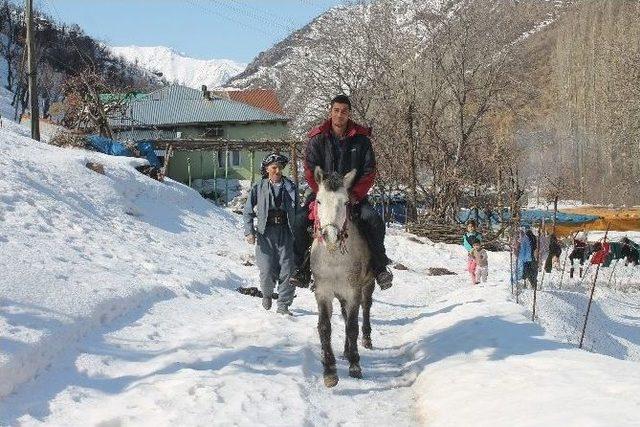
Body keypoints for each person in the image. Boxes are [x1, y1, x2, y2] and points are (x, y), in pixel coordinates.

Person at [290, 94, 393, 290]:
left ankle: (379, 267)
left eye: (344, 111)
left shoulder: (362, 140)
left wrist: (355, 194)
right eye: (336, 110)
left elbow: (369, 171)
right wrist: (323, 195)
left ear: (349, 113)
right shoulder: (317, 138)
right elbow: (310, 170)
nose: (340, 115)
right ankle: (301, 268)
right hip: (323, 196)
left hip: (353, 196)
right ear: (330, 112)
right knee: (299, 221)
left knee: (373, 220)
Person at [243, 153, 298, 315]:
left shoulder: (290, 187)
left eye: (280, 168)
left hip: (286, 232)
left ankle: (283, 305)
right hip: (265, 233)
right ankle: (267, 294)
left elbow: (298, 211)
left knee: (288, 270)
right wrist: (249, 231)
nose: (278, 171)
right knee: (267, 269)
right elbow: (247, 211)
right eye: (274, 167)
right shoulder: (258, 187)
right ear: (267, 169)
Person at [462, 220, 482, 284]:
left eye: (472, 226)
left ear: (475, 227)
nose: (471, 228)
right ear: (467, 228)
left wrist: (474, 249)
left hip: (476, 253)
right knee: (469, 267)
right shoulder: (466, 235)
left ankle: (475, 281)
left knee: (472, 268)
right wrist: (470, 250)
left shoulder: (477, 235)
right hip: (470, 253)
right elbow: (465, 244)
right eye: (469, 226)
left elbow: (478, 243)